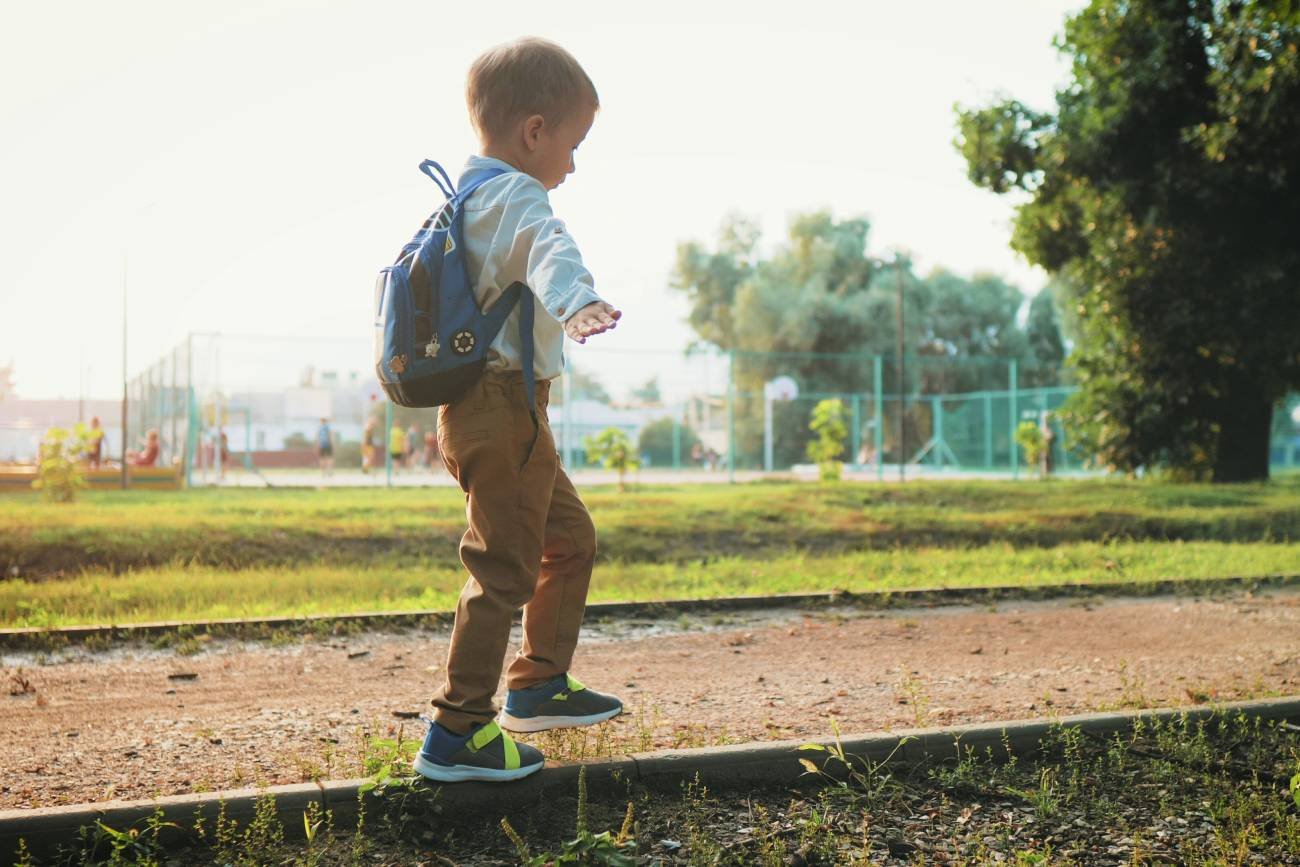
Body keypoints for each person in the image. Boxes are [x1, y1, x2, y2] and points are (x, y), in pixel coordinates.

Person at [411, 38, 623, 785]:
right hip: (501, 407)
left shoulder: (465, 198)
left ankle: (535, 684)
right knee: (503, 566)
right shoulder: (515, 198)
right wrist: (579, 302)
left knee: (566, 537)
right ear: (535, 132)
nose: (572, 163)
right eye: (573, 144)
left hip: (491, 410)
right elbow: (548, 249)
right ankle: (457, 729)